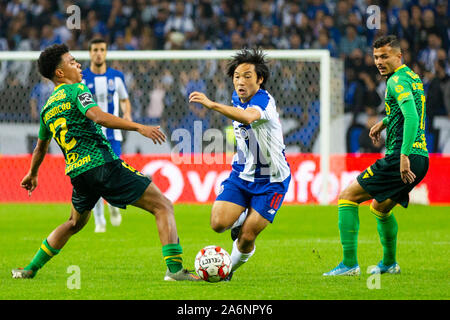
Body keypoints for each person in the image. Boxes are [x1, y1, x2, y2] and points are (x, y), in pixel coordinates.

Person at [12, 44, 200, 281]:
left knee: (73, 223)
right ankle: (174, 270)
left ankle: (30, 269)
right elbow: (98, 116)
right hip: (102, 164)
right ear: (59, 73)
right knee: (163, 205)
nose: (78, 64)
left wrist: (32, 173)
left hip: (78, 174)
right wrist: (138, 126)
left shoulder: (47, 108)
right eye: (71, 62)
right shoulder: (76, 89)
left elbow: (41, 147)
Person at [324, 35, 429, 276]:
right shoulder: (412, 77)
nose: (379, 61)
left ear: (398, 56)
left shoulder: (395, 82)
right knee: (380, 208)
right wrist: (384, 122)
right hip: (422, 158)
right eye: (376, 57)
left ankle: (349, 265)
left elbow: (412, 117)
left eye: (385, 56)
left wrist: (403, 156)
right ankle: (390, 263)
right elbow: (408, 111)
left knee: (347, 197)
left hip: (403, 156)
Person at [189, 48, 291, 280]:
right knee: (217, 224)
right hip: (242, 174)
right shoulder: (237, 98)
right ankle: (242, 215)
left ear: (260, 79)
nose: (240, 81)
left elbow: (248, 117)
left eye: (247, 76)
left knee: (246, 236)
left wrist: (211, 104)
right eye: (237, 76)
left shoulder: (263, 100)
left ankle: (227, 272)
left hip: (271, 180)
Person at [82, 38, 132, 233]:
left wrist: (126, 114)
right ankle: (99, 220)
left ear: (106, 52)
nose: (98, 53)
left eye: (102, 49)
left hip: (113, 134)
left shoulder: (117, 77)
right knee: (94, 177)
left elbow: (125, 100)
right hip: (91, 135)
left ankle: (112, 204)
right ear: (90, 53)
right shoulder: (82, 78)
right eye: (95, 50)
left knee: (112, 175)